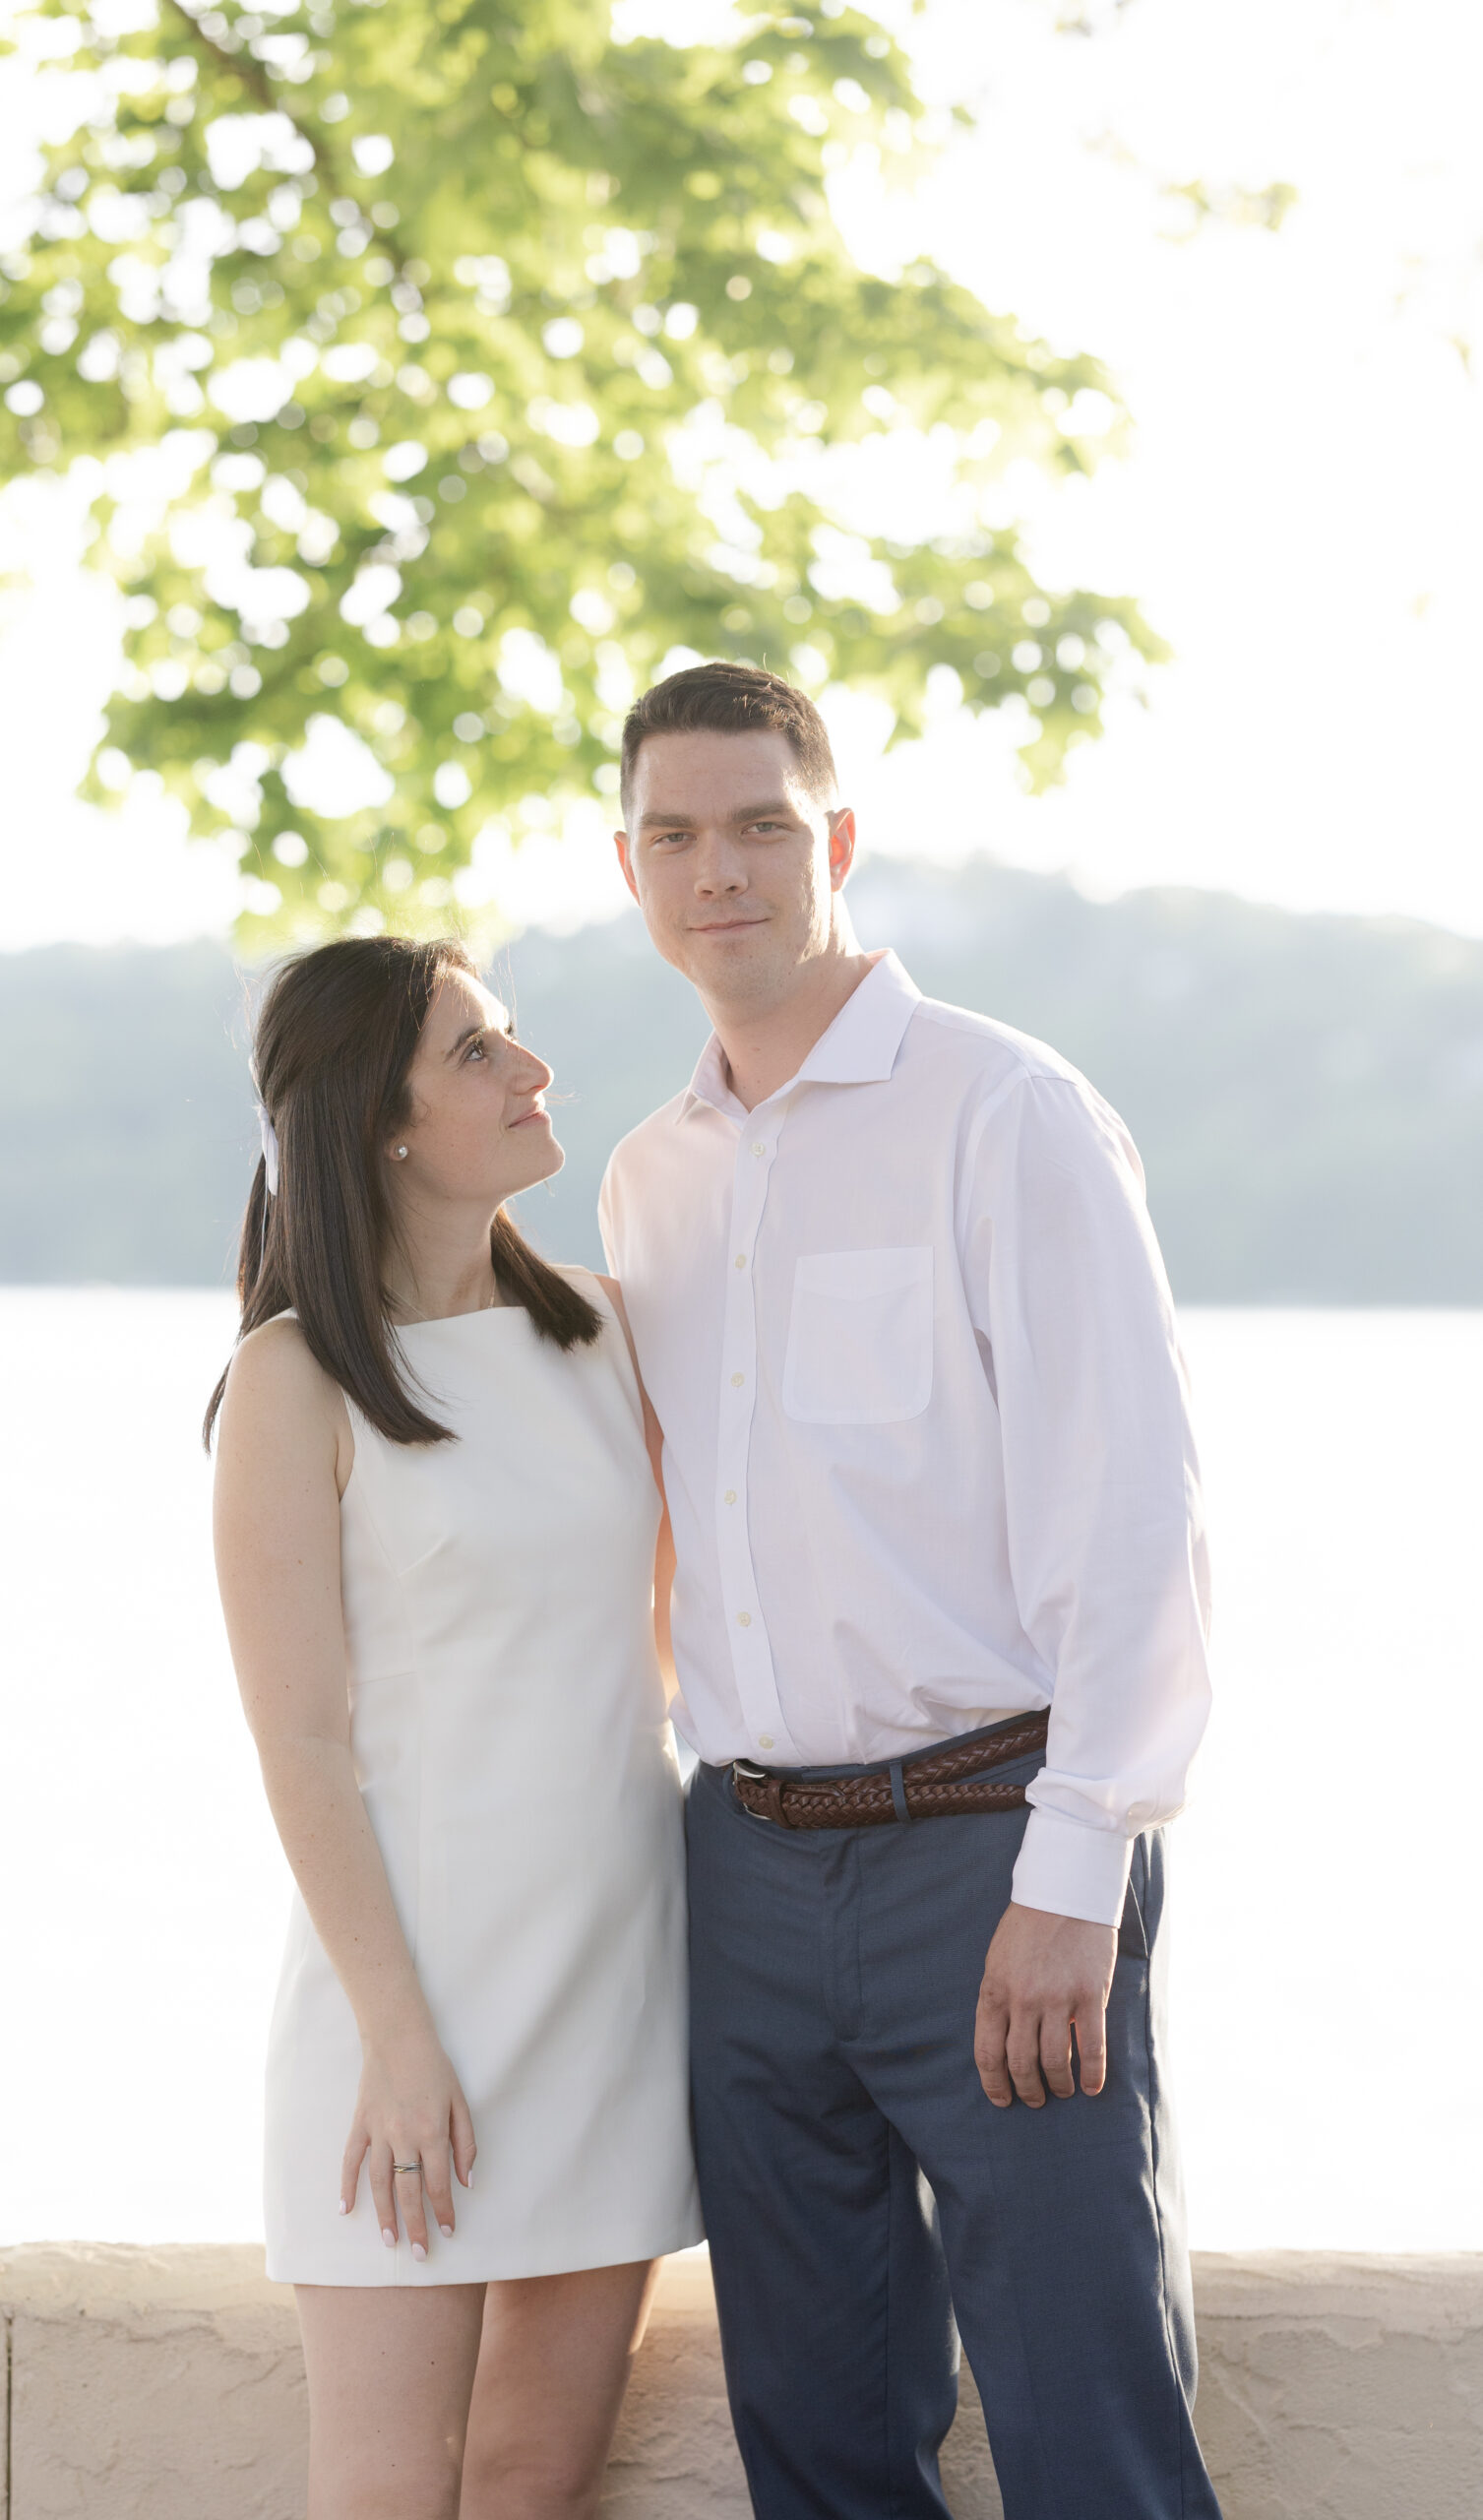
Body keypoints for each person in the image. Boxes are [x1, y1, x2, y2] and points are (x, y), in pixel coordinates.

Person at [599, 661, 1221, 2519]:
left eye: (763, 827)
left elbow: (1133, 1514)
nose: (722, 871)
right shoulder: (649, 1183)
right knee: (818, 2443)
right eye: (676, 836)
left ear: (838, 839)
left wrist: (1075, 1873)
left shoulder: (1003, 1112)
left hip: (992, 1852)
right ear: (630, 871)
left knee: (1088, 2427)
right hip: (750, 1873)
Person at [207, 936, 700, 2520]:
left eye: (514, 1035)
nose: (530, 1069)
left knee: (534, 2476)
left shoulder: (613, 1338)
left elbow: (688, 1652)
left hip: (615, 1979)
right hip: (401, 2006)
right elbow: (299, 1747)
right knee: (385, 2488)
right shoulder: (294, 1383)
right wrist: (399, 2045)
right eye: (478, 1050)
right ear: (382, 1122)